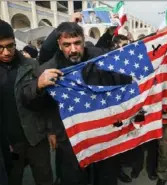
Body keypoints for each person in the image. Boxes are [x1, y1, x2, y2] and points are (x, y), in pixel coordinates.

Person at [20, 22, 133, 185]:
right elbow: (28, 101)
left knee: (105, 178)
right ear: (59, 44)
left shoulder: (100, 57)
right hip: (70, 141)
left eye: (77, 43)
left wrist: (161, 38)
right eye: (67, 45)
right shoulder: (49, 68)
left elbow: (125, 68)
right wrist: (37, 86)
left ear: (83, 40)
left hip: (102, 134)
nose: (73, 50)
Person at [0, 20, 53, 185]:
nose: (6, 52)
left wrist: (51, 130)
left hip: (36, 139)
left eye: (10, 46)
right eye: (0, 48)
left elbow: (47, 100)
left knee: (44, 179)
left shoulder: (31, 65)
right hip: (9, 143)